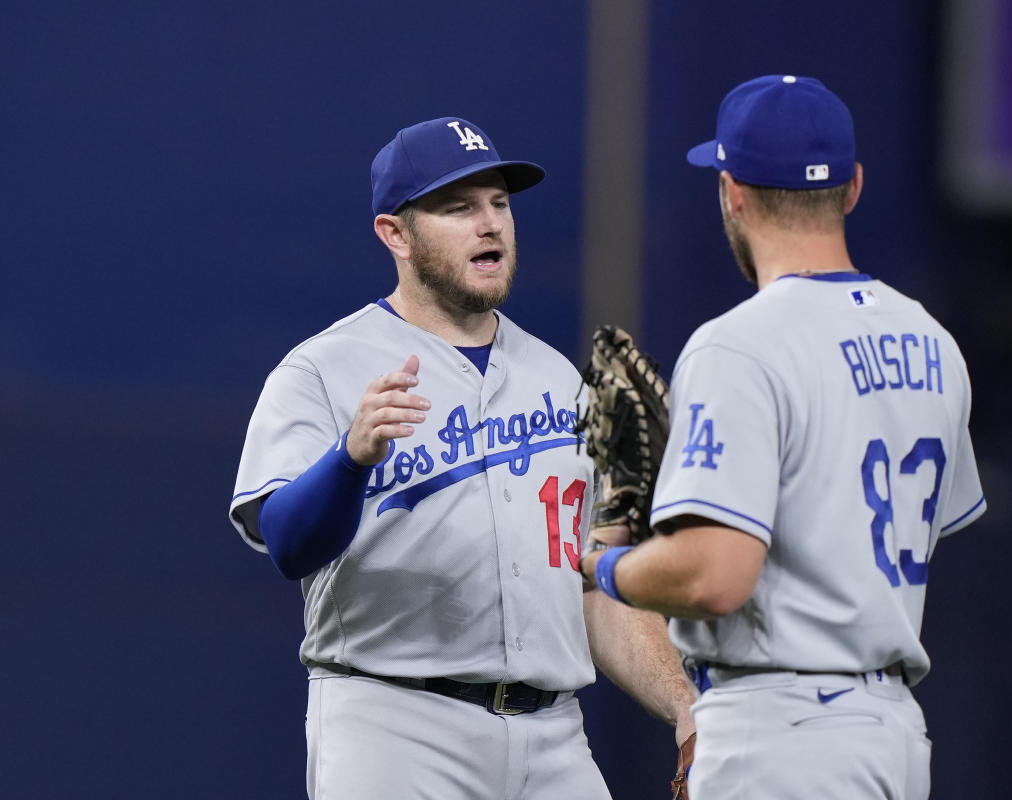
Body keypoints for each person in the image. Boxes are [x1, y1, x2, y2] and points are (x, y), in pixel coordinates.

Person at [229, 116, 697, 800]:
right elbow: (287, 545)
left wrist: (685, 706)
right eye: (458, 208)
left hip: (554, 735)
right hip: (395, 726)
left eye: (500, 204)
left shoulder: (557, 379)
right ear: (396, 234)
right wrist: (349, 460)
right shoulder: (322, 371)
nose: (491, 225)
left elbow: (589, 586)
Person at [581, 75, 987, 799]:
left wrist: (613, 567)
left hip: (782, 731)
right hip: (892, 733)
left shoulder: (738, 347)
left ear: (731, 191)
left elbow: (714, 576)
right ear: (853, 187)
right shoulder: (932, 342)